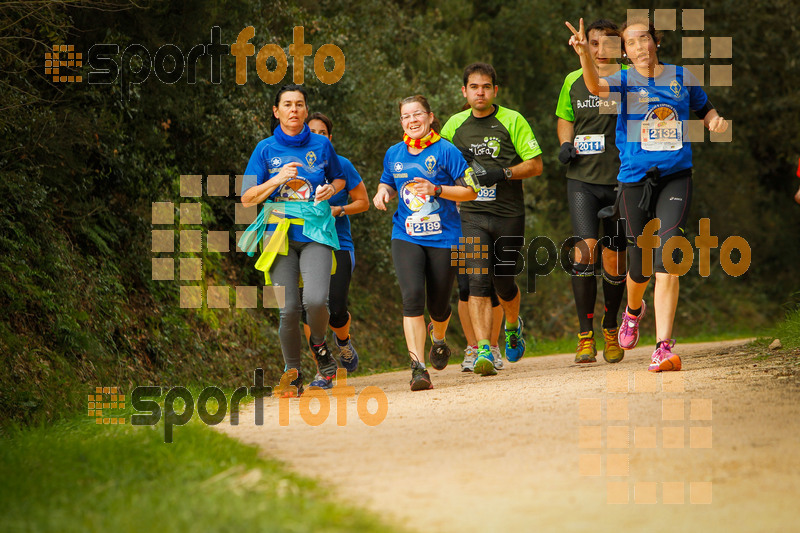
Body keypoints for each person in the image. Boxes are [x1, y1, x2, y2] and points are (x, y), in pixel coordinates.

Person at [566, 17, 729, 371]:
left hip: (675, 177)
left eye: (645, 39)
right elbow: (595, 89)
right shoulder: (622, 81)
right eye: (632, 43)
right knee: (638, 267)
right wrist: (583, 54)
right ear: (624, 52)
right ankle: (633, 311)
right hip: (635, 181)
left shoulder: (681, 77)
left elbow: (705, 107)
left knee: (668, 258)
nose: (640, 47)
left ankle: (663, 346)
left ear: (656, 42)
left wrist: (714, 120)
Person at [240, 84, 346, 395]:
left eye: (299, 104)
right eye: (287, 104)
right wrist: (276, 179)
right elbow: (247, 198)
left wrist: (331, 189)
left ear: (305, 110)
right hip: (278, 235)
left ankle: (318, 343)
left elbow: (339, 178)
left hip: (315, 232)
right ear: (277, 111)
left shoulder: (321, 146)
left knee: (314, 301)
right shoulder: (265, 149)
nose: (294, 109)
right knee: (287, 309)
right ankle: (292, 370)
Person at [441, 62, 544, 376]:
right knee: (477, 281)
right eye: (474, 87)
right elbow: (437, 164)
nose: (480, 92)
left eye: (486, 87)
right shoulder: (453, 125)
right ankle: (484, 347)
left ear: (495, 91)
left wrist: (504, 173)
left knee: (504, 282)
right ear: (465, 91)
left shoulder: (512, 120)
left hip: (508, 214)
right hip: (471, 216)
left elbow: (536, 165)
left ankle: (512, 325)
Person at [373, 95, 479, 390]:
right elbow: (387, 181)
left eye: (417, 114)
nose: (412, 121)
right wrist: (382, 193)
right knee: (412, 299)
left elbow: (471, 191)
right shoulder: (394, 153)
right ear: (401, 122)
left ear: (430, 117)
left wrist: (438, 189)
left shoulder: (447, 151)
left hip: (446, 238)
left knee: (440, 305)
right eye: (406, 116)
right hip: (405, 235)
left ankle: (440, 337)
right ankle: (418, 368)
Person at [555, 19, 627, 364]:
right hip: (582, 179)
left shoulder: (630, 77)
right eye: (593, 44)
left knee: (614, 257)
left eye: (607, 44)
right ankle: (585, 337)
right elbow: (564, 116)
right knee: (585, 252)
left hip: (621, 179)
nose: (599, 51)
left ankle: (611, 328)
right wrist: (565, 143)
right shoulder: (571, 80)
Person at [300, 112, 369, 380]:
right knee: (310, 309)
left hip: (339, 244)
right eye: (311, 132)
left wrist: (338, 210)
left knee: (337, 309)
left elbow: (362, 202)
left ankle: (343, 343)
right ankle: (323, 370)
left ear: (330, 138)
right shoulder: (294, 166)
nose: (317, 137)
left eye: (322, 133)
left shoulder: (342, 165)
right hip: (305, 245)